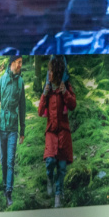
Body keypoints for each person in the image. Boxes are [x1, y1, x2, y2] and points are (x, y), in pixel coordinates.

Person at [37, 57, 77, 209]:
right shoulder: (47, 88)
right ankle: (49, 179)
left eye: (52, 71)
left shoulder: (65, 87)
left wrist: (65, 92)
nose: (50, 73)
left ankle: (58, 196)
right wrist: (44, 95)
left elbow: (73, 105)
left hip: (63, 133)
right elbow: (40, 111)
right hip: (51, 133)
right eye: (49, 70)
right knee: (50, 161)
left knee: (61, 166)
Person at [0, 55, 26, 209]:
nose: (20, 66)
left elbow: (23, 107)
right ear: (12, 63)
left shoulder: (21, 82)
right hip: (2, 127)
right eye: (19, 63)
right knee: (4, 159)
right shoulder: (2, 81)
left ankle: (9, 192)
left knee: (11, 160)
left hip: (13, 128)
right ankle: (5, 185)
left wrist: (22, 130)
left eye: (21, 63)